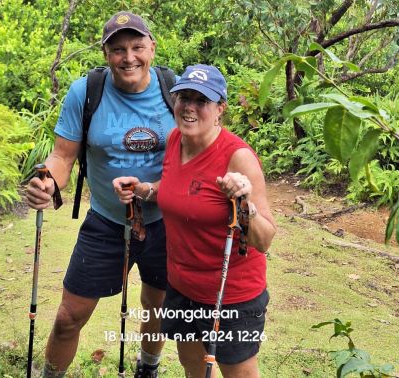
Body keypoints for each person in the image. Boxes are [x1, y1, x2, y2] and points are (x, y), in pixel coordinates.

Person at [26, 11, 176, 378]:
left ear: (151, 48)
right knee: (69, 317)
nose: (129, 58)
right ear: (106, 53)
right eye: (118, 49)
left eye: (137, 47)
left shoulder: (175, 89)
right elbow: (62, 156)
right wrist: (48, 181)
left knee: (155, 306)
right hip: (107, 223)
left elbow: (203, 145)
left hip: (165, 221)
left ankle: (148, 368)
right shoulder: (86, 92)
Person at [114, 64, 277, 378]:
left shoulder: (237, 156)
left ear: (220, 109)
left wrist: (244, 203)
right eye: (183, 97)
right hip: (182, 287)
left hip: (230, 297)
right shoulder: (176, 140)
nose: (189, 107)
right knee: (194, 367)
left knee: (237, 373)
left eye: (201, 100)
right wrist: (144, 190)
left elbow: (265, 238)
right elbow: (179, 189)